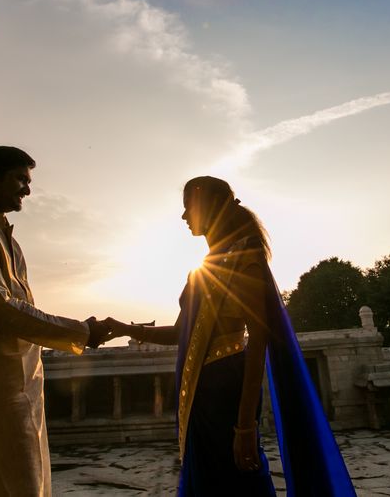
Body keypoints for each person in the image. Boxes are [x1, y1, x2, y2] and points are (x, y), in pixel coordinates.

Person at [105, 176, 355, 496]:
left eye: (188, 208)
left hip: (227, 388)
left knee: (239, 481)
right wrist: (128, 329)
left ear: (210, 208)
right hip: (201, 390)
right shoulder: (203, 268)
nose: (183, 217)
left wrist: (246, 424)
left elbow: (259, 338)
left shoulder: (244, 260)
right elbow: (184, 333)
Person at [0, 146, 110, 497]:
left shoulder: (8, 240)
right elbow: (2, 309)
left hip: (22, 386)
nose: (27, 190)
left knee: (29, 482)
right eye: (21, 179)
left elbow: (21, 310)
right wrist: (82, 331)